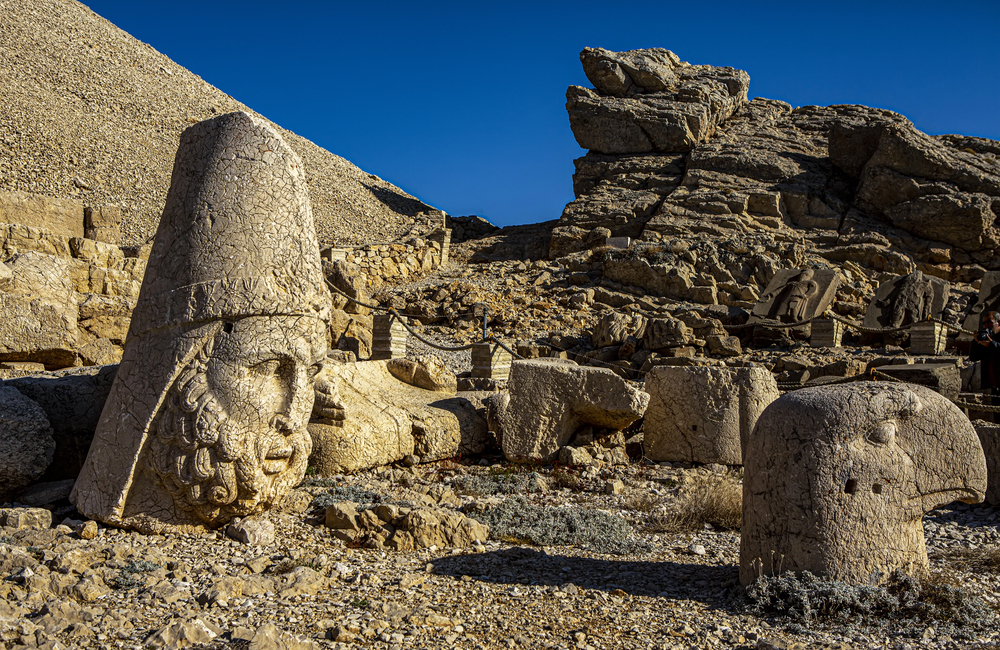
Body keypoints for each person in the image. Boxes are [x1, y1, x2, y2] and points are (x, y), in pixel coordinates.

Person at [970, 311, 1000, 421]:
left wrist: (991, 344)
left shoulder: (993, 341)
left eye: (989, 323)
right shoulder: (987, 339)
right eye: (984, 324)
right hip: (995, 388)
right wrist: (976, 341)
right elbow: (973, 357)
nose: (986, 326)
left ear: (998, 322)